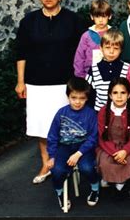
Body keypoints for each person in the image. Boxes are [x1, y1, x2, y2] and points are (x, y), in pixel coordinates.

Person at [15, 0, 84, 184]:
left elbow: (83, 51)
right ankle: (47, 162)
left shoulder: (73, 20)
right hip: (36, 83)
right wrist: (21, 81)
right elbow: (21, 53)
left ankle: (67, 162)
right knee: (42, 126)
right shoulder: (29, 21)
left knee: (67, 126)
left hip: (65, 84)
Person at [46, 77, 99, 210]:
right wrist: (51, 155)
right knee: (57, 170)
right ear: (68, 96)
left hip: (84, 147)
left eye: (82, 98)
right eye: (73, 97)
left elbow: (93, 137)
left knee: (86, 167)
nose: (77, 102)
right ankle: (60, 193)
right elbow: (52, 136)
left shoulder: (91, 114)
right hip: (64, 146)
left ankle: (95, 187)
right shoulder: (61, 113)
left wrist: (79, 153)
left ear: (87, 98)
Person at [96, 78, 130, 199]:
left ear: (129, 95)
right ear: (110, 95)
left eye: (123, 93)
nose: (119, 97)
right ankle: (114, 182)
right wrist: (115, 153)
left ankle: (122, 185)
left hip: (129, 146)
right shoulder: (103, 111)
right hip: (109, 147)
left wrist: (125, 151)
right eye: (115, 93)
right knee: (106, 162)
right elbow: (102, 138)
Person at [86, 29, 129, 111]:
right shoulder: (94, 69)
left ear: (121, 50)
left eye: (116, 48)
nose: (111, 51)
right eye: (107, 47)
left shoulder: (127, 68)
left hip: (122, 114)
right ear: (101, 48)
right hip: (99, 114)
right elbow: (89, 95)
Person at [73, 0, 112, 78]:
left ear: (109, 16)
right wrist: (81, 76)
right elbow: (79, 57)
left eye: (104, 16)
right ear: (92, 16)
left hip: (109, 76)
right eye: (97, 16)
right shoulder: (86, 36)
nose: (101, 20)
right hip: (89, 76)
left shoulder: (113, 34)